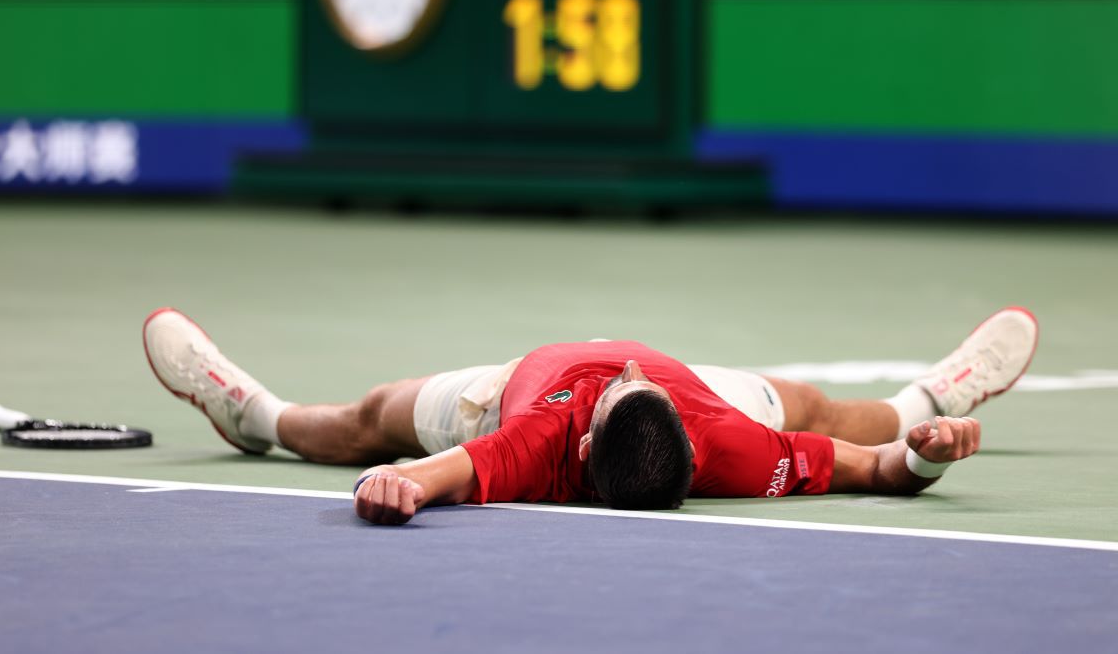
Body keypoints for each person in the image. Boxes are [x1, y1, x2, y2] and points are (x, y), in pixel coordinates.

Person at [142, 307, 1038, 525]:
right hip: (691, 401)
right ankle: (933, 399)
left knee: (370, 421)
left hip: (504, 394)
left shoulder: (537, 439)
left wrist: (394, 485)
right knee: (810, 409)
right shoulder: (728, 442)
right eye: (638, 384)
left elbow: (433, 475)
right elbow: (877, 470)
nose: (632, 364)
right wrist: (925, 455)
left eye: (628, 384)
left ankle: (254, 416)